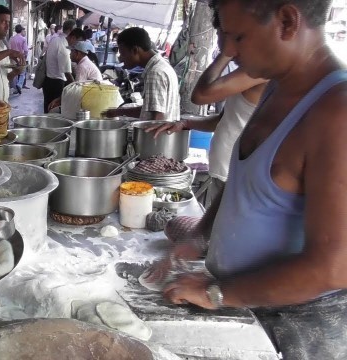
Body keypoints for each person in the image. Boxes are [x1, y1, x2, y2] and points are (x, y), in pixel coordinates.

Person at [151, 0, 347, 358]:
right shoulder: (275, 86)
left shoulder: (336, 114)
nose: (226, 50)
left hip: (298, 330)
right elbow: (245, 187)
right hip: (247, 306)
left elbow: (333, 268)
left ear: (287, 21)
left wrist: (218, 293)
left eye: (237, 35)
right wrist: (203, 234)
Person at [146, 12, 267, 207]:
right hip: (224, 173)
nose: (221, 45)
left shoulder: (259, 71)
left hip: (236, 177)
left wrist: (225, 54)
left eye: (223, 36)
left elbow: (201, 95)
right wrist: (185, 123)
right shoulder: (248, 71)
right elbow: (223, 120)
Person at [102, 27, 180, 121]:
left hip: (157, 134)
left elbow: (158, 117)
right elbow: (150, 110)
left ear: (135, 50)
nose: (120, 59)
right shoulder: (161, 66)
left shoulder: (155, 72)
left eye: (123, 54)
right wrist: (118, 112)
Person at [43, 20, 76, 113]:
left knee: (48, 111)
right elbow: (67, 72)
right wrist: (75, 86)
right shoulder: (62, 45)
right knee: (54, 113)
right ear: (70, 30)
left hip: (49, 80)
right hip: (56, 83)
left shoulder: (55, 39)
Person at [9, 24, 30, 94]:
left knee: (14, 73)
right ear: (21, 30)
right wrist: (25, 57)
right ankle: (19, 85)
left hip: (12, 58)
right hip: (21, 58)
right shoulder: (23, 39)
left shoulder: (11, 38)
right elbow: (26, 50)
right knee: (22, 73)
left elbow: (9, 49)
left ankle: (15, 88)